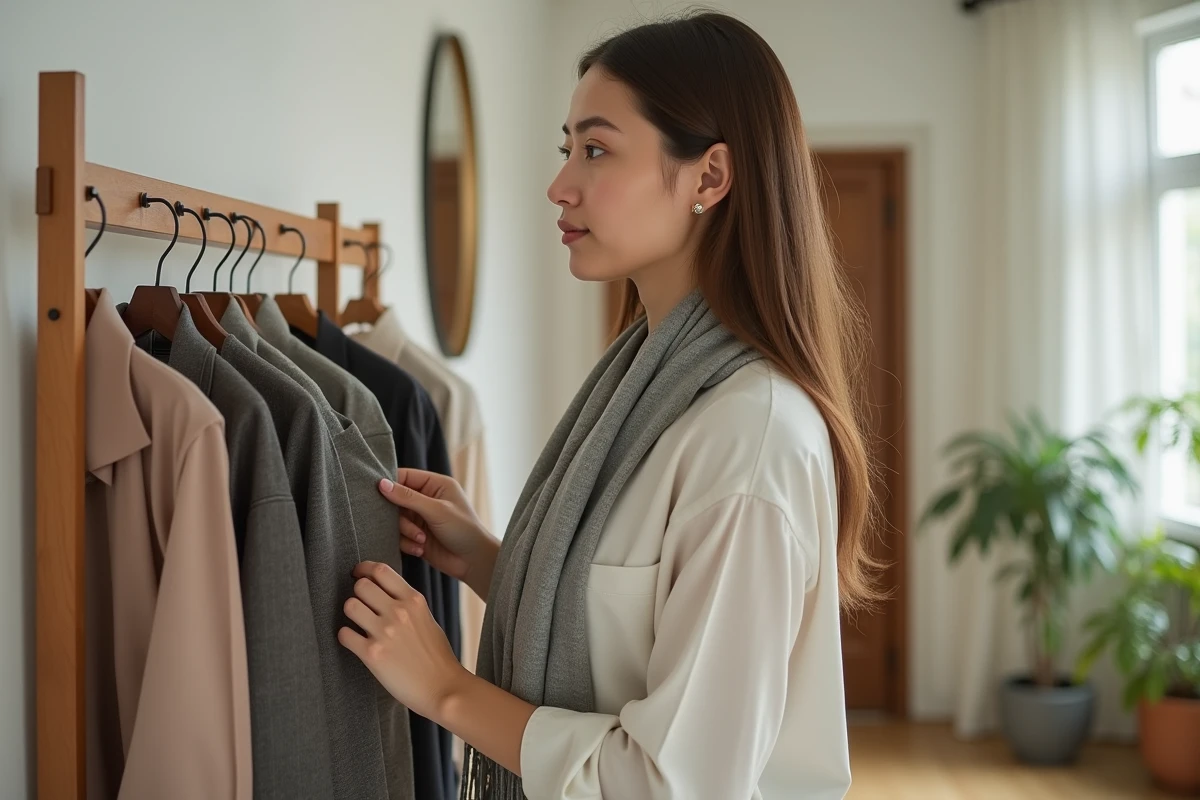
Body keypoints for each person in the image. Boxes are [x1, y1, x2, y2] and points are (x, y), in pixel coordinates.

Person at [336, 10, 881, 799]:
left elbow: (671, 782)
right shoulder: (640, 385)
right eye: (568, 150)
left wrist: (447, 691)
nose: (560, 185)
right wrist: (489, 559)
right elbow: (634, 634)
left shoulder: (748, 434)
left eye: (596, 150)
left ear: (710, 177)